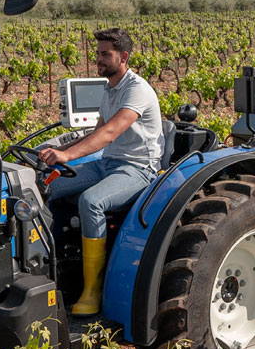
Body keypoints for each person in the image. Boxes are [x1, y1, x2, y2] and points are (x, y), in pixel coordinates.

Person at [39, 28, 164, 316]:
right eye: (97, 54)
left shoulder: (137, 89)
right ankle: (49, 266)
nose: (99, 59)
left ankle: (92, 290)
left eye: (105, 54)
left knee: (91, 201)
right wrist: (58, 153)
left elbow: (109, 132)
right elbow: (97, 130)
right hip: (107, 164)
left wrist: (67, 155)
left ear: (124, 57)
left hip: (138, 168)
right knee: (45, 187)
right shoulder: (109, 87)